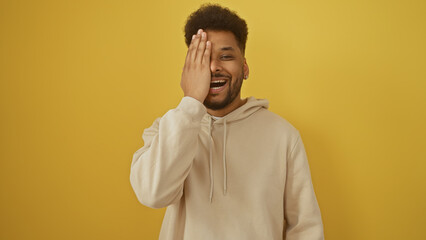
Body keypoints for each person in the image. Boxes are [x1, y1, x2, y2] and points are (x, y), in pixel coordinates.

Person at [130, 3, 324, 240]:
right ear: (190, 69)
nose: (213, 67)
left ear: (244, 68)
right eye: (203, 59)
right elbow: (152, 194)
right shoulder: (165, 130)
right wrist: (191, 103)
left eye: (226, 56)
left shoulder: (284, 136)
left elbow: (305, 228)